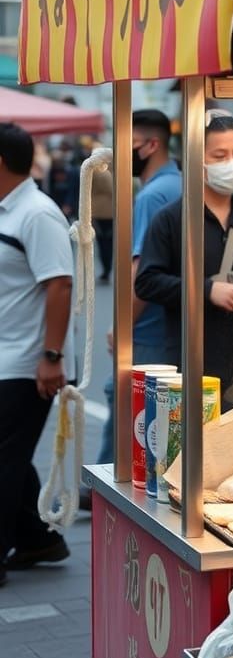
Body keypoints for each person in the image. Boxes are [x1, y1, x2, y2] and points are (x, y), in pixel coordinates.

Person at [135, 111, 233, 408]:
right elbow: (146, 282)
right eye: (219, 155)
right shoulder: (170, 219)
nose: (231, 163)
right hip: (189, 367)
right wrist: (207, 290)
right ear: (197, 160)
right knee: (192, 452)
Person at [0, 122, 74, 585]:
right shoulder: (7, 211)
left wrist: (51, 355)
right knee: (10, 454)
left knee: (4, 459)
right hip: (6, 356)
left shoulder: (36, 212)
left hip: (26, 363)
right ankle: (37, 538)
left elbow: (60, 284)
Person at [91, 110, 182, 475]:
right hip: (171, 326)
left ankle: (102, 487)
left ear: (151, 144)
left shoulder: (153, 195)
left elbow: (141, 270)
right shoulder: (179, 184)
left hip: (147, 331)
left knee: (132, 420)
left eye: (127, 144)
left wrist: (122, 326)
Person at [90, 159, 113, 283]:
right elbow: (111, 189)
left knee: (102, 242)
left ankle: (106, 269)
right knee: (108, 242)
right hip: (108, 211)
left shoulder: (94, 172)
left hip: (98, 211)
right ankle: (107, 268)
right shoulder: (105, 174)